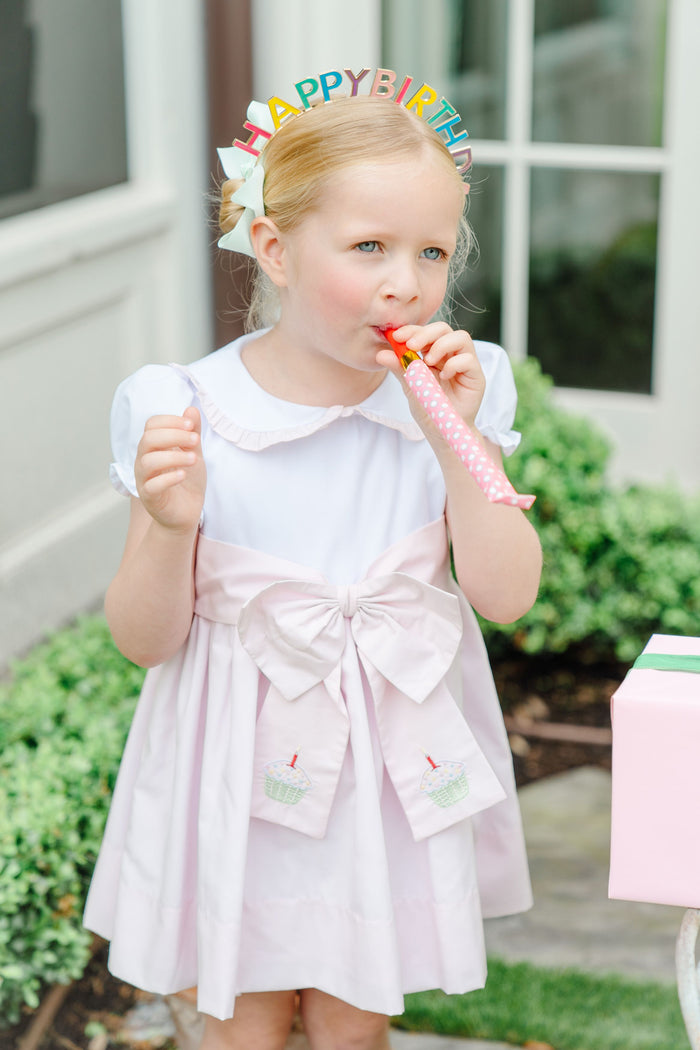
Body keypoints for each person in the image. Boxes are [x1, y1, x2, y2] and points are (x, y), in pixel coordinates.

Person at [84, 86, 542, 1050]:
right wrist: (171, 527)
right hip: (234, 759)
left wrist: (455, 438)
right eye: (369, 247)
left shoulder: (458, 393)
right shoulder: (185, 407)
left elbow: (505, 596)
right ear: (276, 249)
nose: (406, 286)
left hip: (384, 764)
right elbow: (142, 640)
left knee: (352, 1016)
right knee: (242, 1019)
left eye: (432, 253)